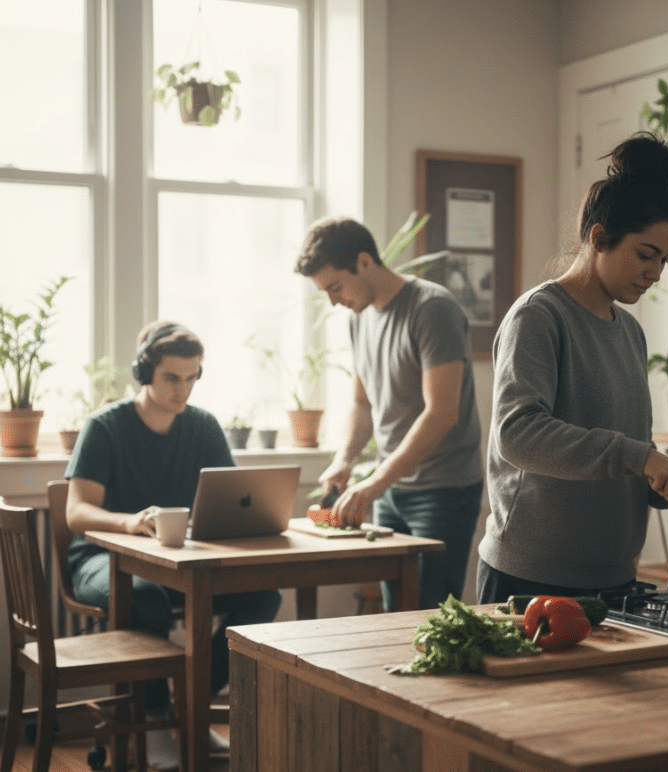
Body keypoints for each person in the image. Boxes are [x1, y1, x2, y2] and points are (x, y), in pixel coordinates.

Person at [477, 132, 668, 604]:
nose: (655, 273)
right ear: (598, 237)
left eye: (665, 260)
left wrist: (664, 487)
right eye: (645, 254)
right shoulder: (538, 316)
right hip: (531, 579)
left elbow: (624, 448)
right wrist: (641, 457)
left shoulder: (630, 332)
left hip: (614, 580)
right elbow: (518, 434)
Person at [65, 321, 282, 771]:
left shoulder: (203, 426)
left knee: (264, 594)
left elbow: (232, 495)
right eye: (171, 377)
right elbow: (77, 512)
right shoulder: (105, 426)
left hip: (179, 562)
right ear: (144, 372)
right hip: (103, 560)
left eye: (191, 377)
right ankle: (156, 721)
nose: (182, 389)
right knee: (146, 598)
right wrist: (129, 521)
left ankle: (193, 703)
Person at [295, 217, 483, 612]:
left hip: (442, 492)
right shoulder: (359, 318)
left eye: (335, 287)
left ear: (364, 262)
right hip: (391, 491)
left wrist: (375, 483)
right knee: (392, 614)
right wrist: (345, 459)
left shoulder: (432, 309)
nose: (333, 301)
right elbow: (362, 403)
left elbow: (441, 413)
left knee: (431, 615)